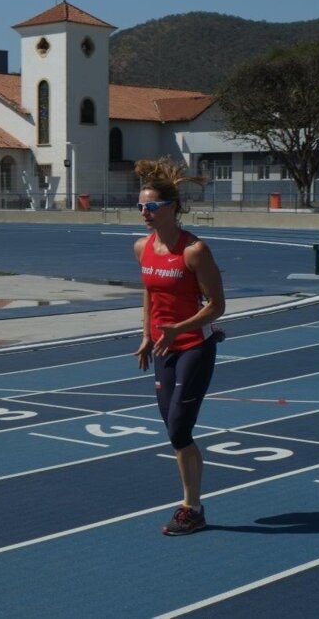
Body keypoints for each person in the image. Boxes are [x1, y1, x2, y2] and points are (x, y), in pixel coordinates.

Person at [132, 157, 226, 536]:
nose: (144, 213)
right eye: (140, 207)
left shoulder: (194, 250)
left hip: (194, 347)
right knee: (173, 430)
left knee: (179, 429)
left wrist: (177, 329)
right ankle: (192, 504)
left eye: (151, 207)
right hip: (163, 348)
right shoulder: (142, 248)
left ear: (172, 207)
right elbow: (149, 295)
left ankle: (192, 507)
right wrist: (147, 335)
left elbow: (218, 306)